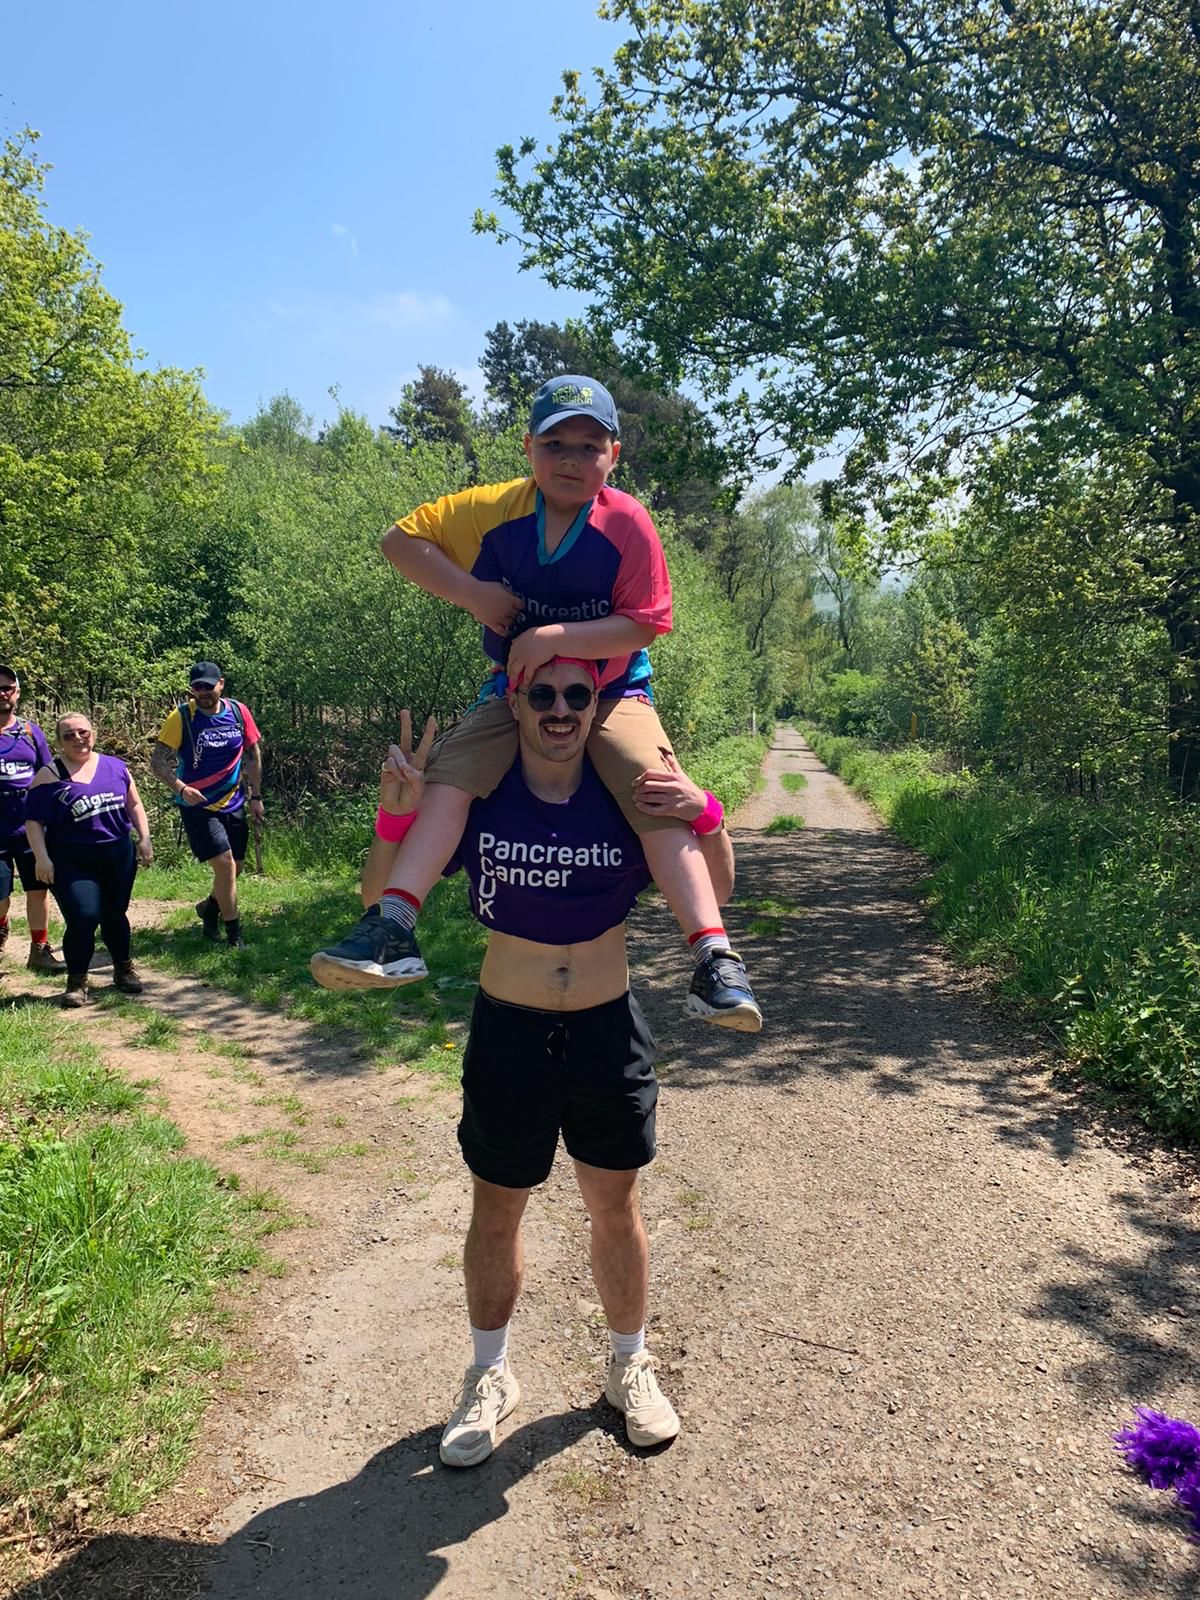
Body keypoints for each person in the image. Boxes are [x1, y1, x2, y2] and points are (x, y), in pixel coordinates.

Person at [361, 657, 737, 1467]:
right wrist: (394, 816)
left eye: (577, 694)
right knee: (497, 1210)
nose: (560, 708)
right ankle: (488, 1376)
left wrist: (706, 813)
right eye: (543, 694)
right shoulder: (481, 792)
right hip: (510, 1030)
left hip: (607, 1027)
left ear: (599, 703)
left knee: (616, 1206)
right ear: (516, 702)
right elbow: (375, 901)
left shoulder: (624, 791)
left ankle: (628, 1365)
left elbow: (717, 889)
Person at [311, 375, 761, 1032]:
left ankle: (714, 958)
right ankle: (393, 926)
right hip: (514, 690)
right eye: (555, 445)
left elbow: (646, 623)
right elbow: (398, 542)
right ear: (528, 448)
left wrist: (553, 637)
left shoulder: (627, 523)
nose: (571, 460)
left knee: (656, 789)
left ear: (614, 454)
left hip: (613, 691)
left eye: (589, 446)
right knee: (450, 775)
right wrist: (471, 594)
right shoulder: (496, 510)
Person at [24, 713, 154, 1007]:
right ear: (59, 742)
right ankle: (77, 981)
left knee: (114, 914)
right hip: (71, 859)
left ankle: (123, 968)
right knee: (83, 917)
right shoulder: (48, 776)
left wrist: (144, 838)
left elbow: (134, 803)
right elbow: (33, 821)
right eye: (69, 735)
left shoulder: (115, 767)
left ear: (92, 734)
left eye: (83, 732)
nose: (78, 739)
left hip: (117, 854)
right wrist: (41, 858)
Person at [150, 663, 264, 949]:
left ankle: (209, 908)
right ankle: (234, 935)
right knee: (225, 865)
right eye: (197, 687)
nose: (203, 692)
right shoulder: (181, 717)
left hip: (233, 802)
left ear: (221, 684)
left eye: (208, 686)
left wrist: (256, 797)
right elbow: (158, 761)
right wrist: (181, 788)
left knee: (236, 869)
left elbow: (252, 753)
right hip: (197, 805)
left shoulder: (238, 712)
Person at [0, 665, 65, 973]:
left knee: (38, 890)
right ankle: (1, 927)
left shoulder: (29, 731)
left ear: (17, 692)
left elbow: (48, 773)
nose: (2, 693)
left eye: (7, 688)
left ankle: (39, 950)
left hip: (31, 828)